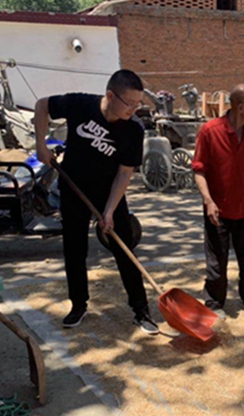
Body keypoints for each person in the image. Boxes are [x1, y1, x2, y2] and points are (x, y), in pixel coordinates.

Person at [34, 69, 158, 334]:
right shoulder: (80, 104)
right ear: (110, 95)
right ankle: (78, 305)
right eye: (130, 103)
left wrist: (110, 211)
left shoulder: (134, 129)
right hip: (74, 188)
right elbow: (42, 105)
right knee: (75, 251)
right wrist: (40, 144)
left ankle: (141, 310)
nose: (133, 110)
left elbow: (125, 173)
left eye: (138, 104)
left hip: (109, 193)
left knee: (123, 249)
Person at [192, 83, 244, 319]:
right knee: (217, 258)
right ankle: (214, 301)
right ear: (241, 107)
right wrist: (208, 201)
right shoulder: (209, 131)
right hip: (217, 208)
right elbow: (198, 170)